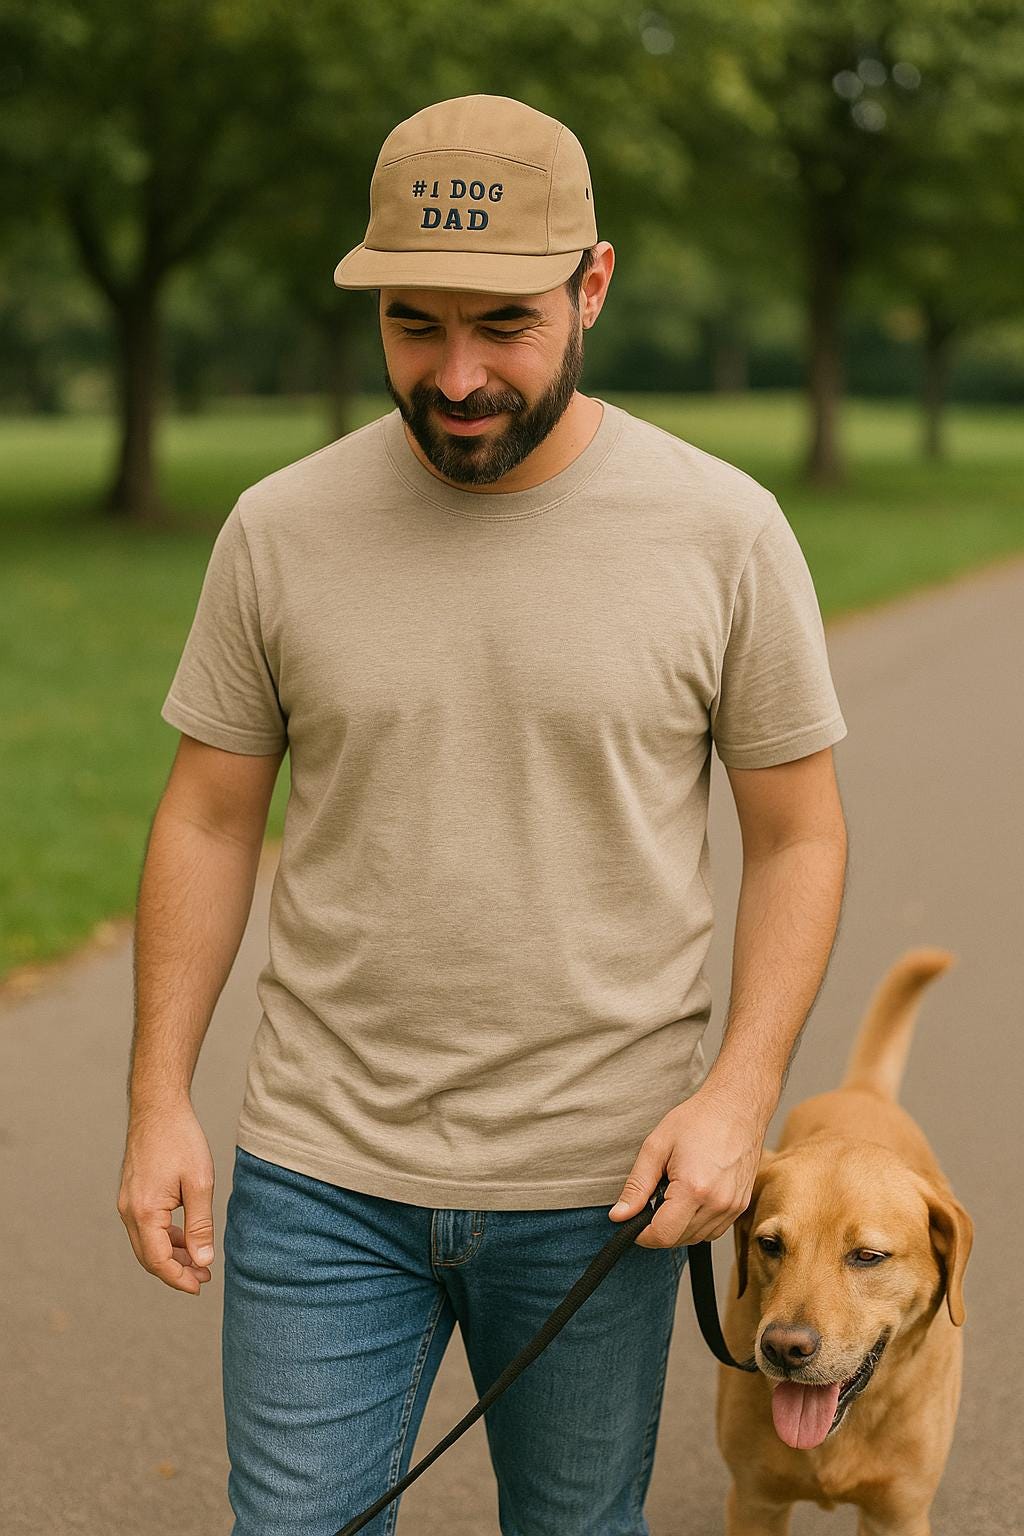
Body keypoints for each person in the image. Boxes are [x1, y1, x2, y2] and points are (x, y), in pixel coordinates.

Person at [118, 94, 849, 1536]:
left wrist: (740, 1093)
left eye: (502, 325)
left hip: (601, 1185)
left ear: (593, 284)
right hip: (320, 1178)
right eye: (413, 324)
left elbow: (799, 834)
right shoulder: (279, 528)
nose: (455, 375)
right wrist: (156, 1099)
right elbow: (207, 816)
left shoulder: (725, 531)